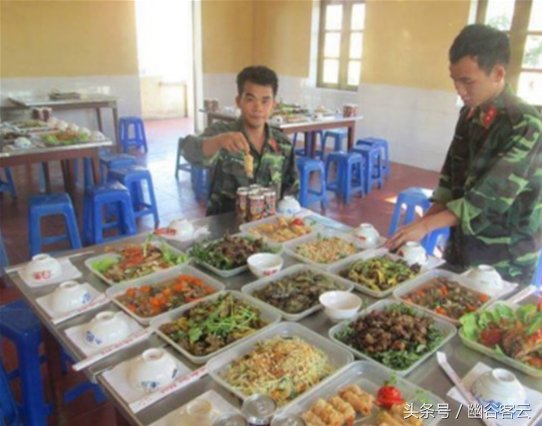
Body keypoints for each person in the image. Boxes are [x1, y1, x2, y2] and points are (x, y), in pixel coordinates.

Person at [386, 24, 542, 285]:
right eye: (455, 80)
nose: (459, 89)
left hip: (504, 259)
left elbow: (487, 201)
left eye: (467, 81)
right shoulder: (470, 114)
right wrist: (418, 230)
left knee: (488, 323)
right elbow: (449, 182)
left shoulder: (525, 125)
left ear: (498, 73)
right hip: (462, 248)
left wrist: (426, 226)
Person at [180, 65, 299, 216]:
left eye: (265, 101)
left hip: (266, 230)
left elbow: (291, 190)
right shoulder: (221, 133)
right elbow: (188, 150)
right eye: (251, 99)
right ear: (239, 101)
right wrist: (218, 142)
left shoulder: (283, 145)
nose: (258, 108)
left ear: (274, 105)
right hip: (224, 230)